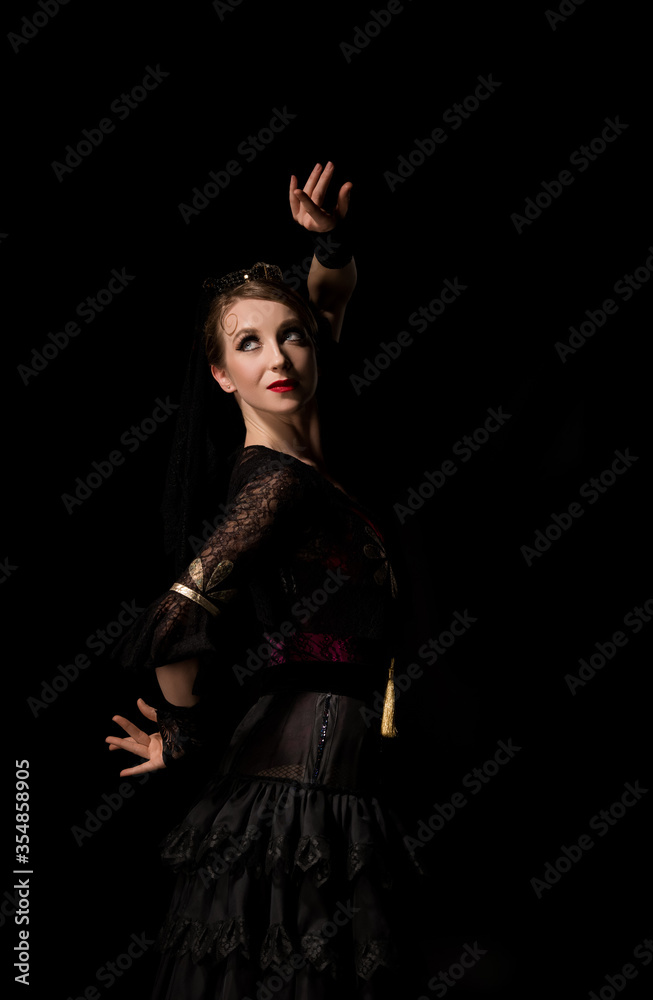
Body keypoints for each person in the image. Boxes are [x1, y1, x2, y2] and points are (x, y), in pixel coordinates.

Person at [105, 161, 424, 999]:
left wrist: (330, 242)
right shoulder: (275, 484)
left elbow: (327, 300)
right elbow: (171, 623)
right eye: (246, 343)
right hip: (297, 804)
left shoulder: (313, 451)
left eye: (290, 337)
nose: (277, 356)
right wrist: (182, 733)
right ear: (220, 375)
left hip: (333, 789)